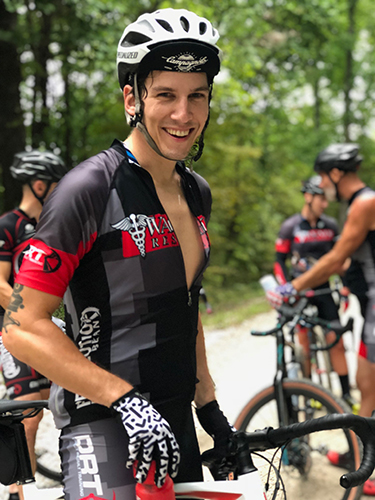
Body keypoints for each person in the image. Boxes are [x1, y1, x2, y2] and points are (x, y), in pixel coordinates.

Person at [2, 9, 234, 500]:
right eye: (165, 95)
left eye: (197, 96)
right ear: (132, 97)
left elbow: (183, 306)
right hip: (103, 417)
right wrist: (124, 400)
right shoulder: (87, 189)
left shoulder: (197, 193)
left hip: (173, 421)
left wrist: (209, 408)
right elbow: (22, 327)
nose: (183, 115)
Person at [267, 143, 375, 495]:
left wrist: (292, 288)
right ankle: (361, 455)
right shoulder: (354, 206)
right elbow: (344, 263)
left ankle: (366, 465)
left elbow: (336, 259)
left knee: (367, 381)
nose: (322, 188)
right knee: (367, 381)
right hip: (370, 303)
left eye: (324, 178)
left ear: (335, 174)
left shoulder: (364, 203)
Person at [0, 150, 67, 500]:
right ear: (40, 185)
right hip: (13, 327)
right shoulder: (8, 225)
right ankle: (15, 491)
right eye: (56, 186)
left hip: (47, 325)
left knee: (60, 397)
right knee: (27, 409)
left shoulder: (50, 226)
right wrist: (31, 316)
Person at [274, 176, 355, 408]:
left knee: (336, 341)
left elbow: (339, 260)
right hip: (299, 293)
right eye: (320, 198)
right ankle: (311, 395)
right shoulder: (291, 227)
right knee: (304, 345)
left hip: (324, 291)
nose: (325, 203)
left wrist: (346, 286)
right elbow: (279, 262)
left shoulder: (330, 226)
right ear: (308, 197)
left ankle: (347, 393)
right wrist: (283, 289)